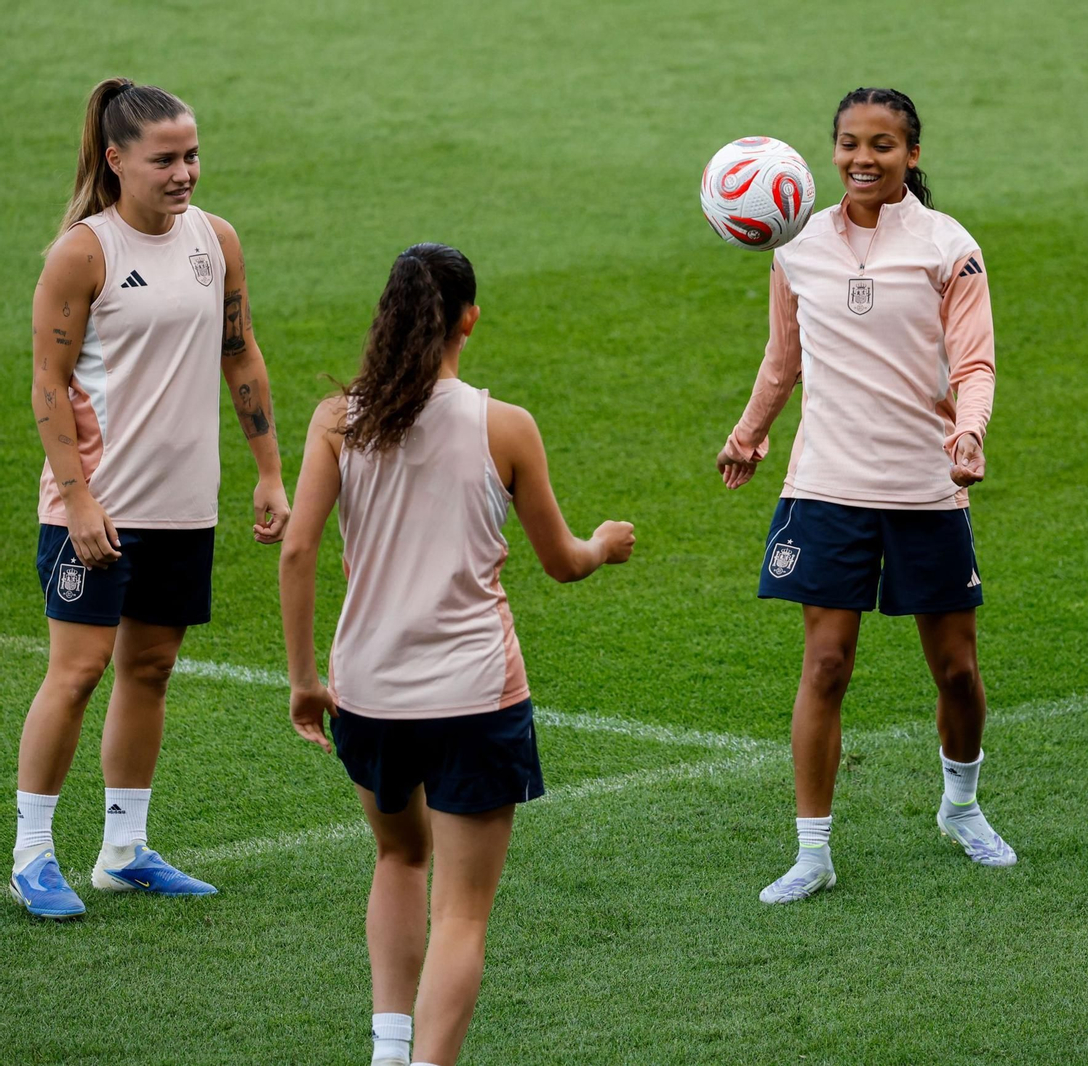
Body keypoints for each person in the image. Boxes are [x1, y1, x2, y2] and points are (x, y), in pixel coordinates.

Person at [279, 243, 634, 1066]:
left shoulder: (338, 421)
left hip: (367, 693)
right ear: (469, 318)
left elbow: (297, 552)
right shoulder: (504, 426)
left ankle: (388, 1049)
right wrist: (605, 546)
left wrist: (305, 681)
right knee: (463, 914)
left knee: (399, 857)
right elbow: (562, 561)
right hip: (476, 696)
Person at [716, 87, 1009, 905]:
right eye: (848, 144)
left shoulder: (949, 247)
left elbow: (974, 363)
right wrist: (749, 433)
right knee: (827, 663)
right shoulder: (796, 243)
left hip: (927, 484)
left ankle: (961, 807)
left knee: (955, 668)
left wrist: (971, 432)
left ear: (912, 155)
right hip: (827, 485)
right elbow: (784, 359)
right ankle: (813, 851)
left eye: (882, 145)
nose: (861, 160)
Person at [12, 78, 290, 920]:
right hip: (92, 509)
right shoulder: (84, 253)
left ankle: (123, 850)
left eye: (192, 154)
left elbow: (240, 355)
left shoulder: (217, 239)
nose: (185, 173)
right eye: (165, 158)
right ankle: (30, 854)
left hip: (181, 506)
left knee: (151, 667)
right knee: (78, 671)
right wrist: (78, 498)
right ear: (116, 158)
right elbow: (49, 385)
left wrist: (270, 470)